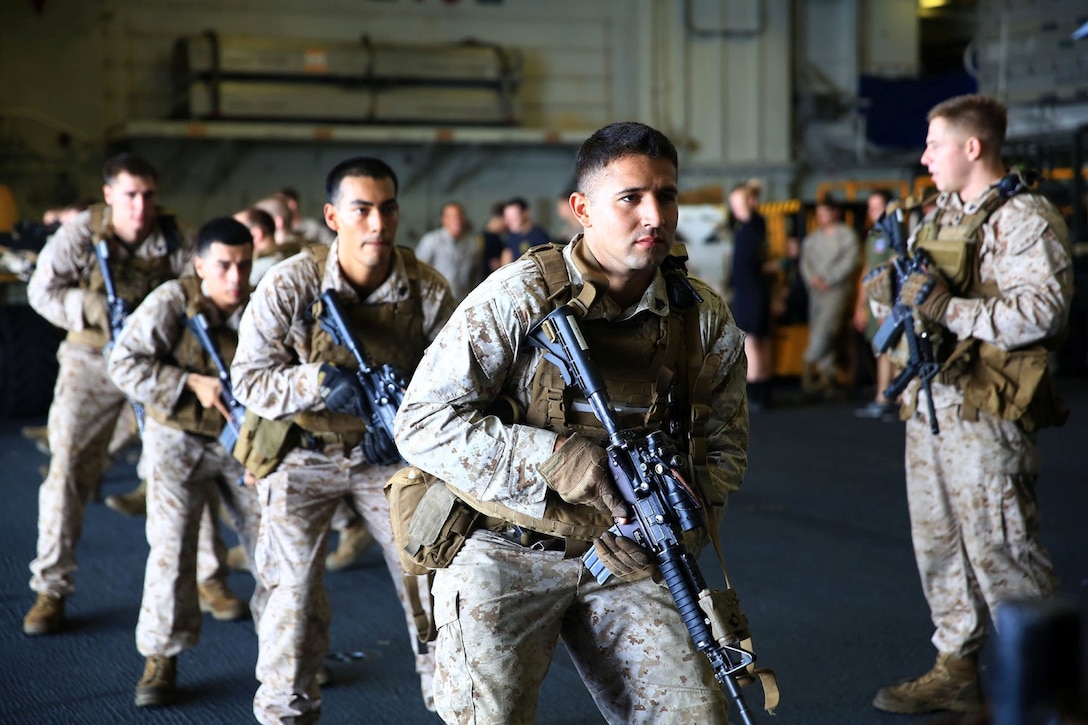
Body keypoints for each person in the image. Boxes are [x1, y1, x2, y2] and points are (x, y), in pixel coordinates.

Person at [394, 121, 748, 723]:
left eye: (667, 194)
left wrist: (667, 527)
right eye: (631, 198)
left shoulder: (700, 316)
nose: (654, 215)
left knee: (696, 715)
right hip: (503, 544)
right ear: (582, 208)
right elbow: (422, 422)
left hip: (625, 556)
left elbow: (725, 447)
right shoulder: (519, 296)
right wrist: (554, 458)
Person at [863, 94, 1072, 715]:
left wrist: (946, 309)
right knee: (940, 545)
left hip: (985, 411)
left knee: (1004, 551)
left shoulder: (1024, 217)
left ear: (972, 147)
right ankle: (957, 667)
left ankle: (1054, 689)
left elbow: (1042, 312)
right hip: (930, 405)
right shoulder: (934, 216)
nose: (925, 157)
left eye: (935, 145)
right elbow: (904, 303)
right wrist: (890, 297)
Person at [231, 156, 456, 722]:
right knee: (291, 600)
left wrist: (408, 433)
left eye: (387, 208)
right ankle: (287, 712)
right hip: (304, 453)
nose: (377, 224)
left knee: (434, 586)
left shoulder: (426, 289)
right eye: (361, 210)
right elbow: (248, 379)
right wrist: (317, 383)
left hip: (388, 460)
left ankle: (456, 705)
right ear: (333, 216)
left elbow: (459, 387)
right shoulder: (292, 282)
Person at [22, 154, 248, 635]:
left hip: (165, 361)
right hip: (93, 361)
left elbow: (203, 286)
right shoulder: (82, 234)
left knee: (196, 464)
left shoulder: (174, 236)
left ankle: (210, 579)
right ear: (109, 194)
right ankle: (51, 586)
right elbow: (41, 291)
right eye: (129, 195)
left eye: (148, 195)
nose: (140, 206)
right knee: (68, 467)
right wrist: (88, 307)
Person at [106, 216, 266, 707]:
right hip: (175, 435)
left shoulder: (261, 305)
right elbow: (123, 364)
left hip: (242, 440)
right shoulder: (172, 301)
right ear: (200, 266)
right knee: (172, 551)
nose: (235, 278)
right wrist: (187, 383)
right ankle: (161, 657)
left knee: (275, 547)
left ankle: (291, 649)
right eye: (223, 266)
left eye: (243, 265)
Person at [799, 196, 860, 395]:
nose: (821, 216)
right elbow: (805, 262)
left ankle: (807, 364)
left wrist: (829, 279)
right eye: (819, 213)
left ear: (835, 212)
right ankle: (828, 377)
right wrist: (813, 279)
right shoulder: (813, 238)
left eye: (825, 212)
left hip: (837, 290)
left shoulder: (846, 236)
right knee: (819, 327)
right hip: (816, 291)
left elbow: (850, 262)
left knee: (827, 328)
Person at [727, 182, 774, 410]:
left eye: (739, 204)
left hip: (750, 293)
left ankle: (755, 393)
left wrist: (751, 193)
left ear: (751, 203)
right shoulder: (756, 227)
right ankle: (763, 393)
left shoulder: (749, 230)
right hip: (756, 291)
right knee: (760, 342)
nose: (735, 209)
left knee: (752, 343)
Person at [854, 189, 900, 420]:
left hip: (889, 300)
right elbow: (867, 270)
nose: (874, 212)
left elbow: (896, 265)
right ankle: (884, 396)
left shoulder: (894, 234)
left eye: (878, 206)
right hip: (874, 301)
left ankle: (894, 398)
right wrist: (859, 306)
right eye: (871, 207)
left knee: (893, 350)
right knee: (881, 349)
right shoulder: (873, 236)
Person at [415, 201, 486, 301]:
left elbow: (476, 274)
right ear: (444, 220)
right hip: (435, 301)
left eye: (460, 215)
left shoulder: (472, 243)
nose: (458, 220)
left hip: (462, 301)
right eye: (453, 216)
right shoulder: (431, 241)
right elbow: (418, 270)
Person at [498, 196, 551, 265]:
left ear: (526, 213)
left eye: (514, 215)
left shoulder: (540, 236)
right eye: (507, 216)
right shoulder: (510, 237)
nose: (509, 220)